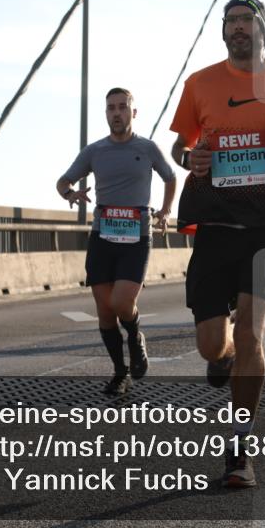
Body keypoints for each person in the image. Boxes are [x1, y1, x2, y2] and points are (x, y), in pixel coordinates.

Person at [169, 0, 265, 488]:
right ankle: (225, 355)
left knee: (254, 332)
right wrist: (189, 157)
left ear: (262, 29)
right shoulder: (200, 84)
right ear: (223, 31)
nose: (237, 27)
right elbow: (180, 145)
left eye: (246, 20)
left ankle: (239, 449)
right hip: (214, 228)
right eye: (230, 20)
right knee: (212, 346)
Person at [57, 87, 176, 395]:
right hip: (103, 237)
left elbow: (170, 177)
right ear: (106, 113)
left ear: (133, 112)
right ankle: (120, 372)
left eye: (123, 107)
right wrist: (71, 194)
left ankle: (135, 336)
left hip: (136, 238)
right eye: (111, 108)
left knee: (122, 303)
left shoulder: (147, 148)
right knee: (106, 311)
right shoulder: (95, 151)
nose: (117, 113)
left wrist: (165, 211)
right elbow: (63, 181)